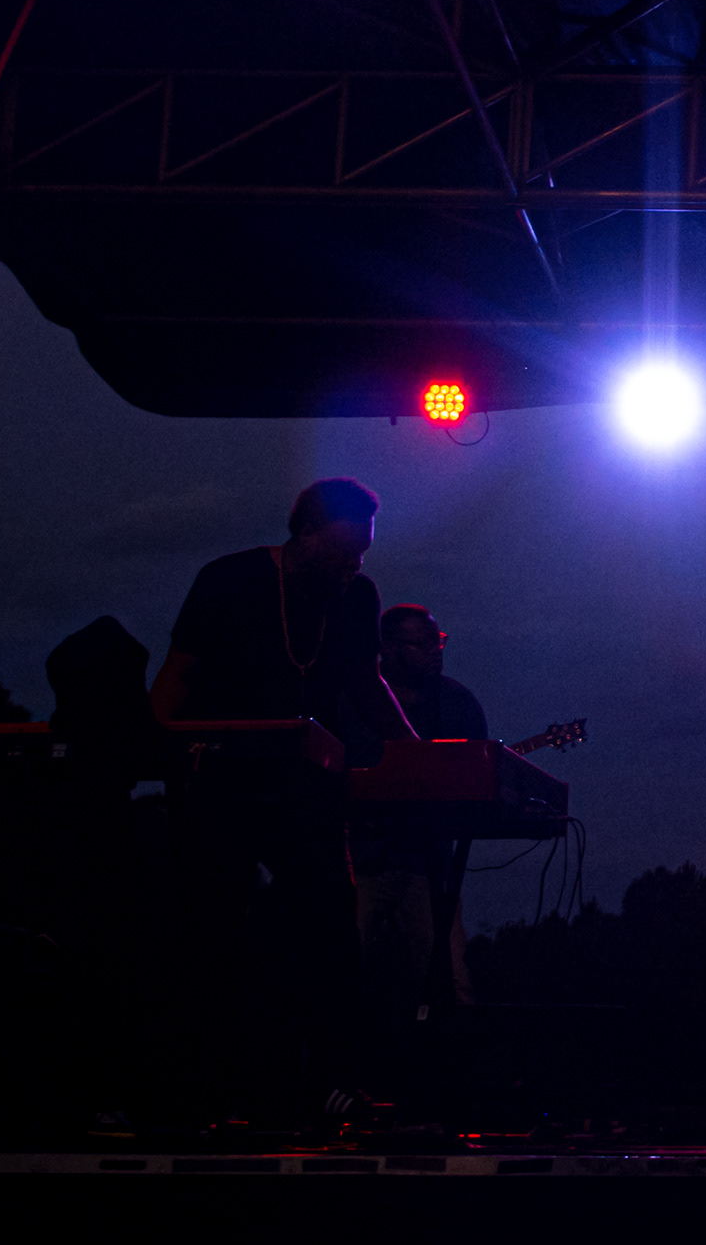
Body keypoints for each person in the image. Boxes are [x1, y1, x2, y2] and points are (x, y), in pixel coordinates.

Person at [146, 478, 388, 1123]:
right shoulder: (229, 580)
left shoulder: (357, 599)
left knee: (332, 923)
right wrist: (138, 751)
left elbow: (367, 683)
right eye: (344, 551)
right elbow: (181, 671)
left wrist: (422, 757)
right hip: (225, 781)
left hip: (307, 789)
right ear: (305, 534)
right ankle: (190, 1087)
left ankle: (335, 1082)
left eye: (362, 554)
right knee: (209, 926)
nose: (353, 566)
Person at [351, 603, 487, 1043]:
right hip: (358, 857)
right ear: (387, 649)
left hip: (426, 865)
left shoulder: (458, 704)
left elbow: (479, 775)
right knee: (339, 967)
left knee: (451, 979)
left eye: (438, 640)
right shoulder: (353, 701)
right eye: (422, 642)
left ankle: (451, 1085)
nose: (435, 650)